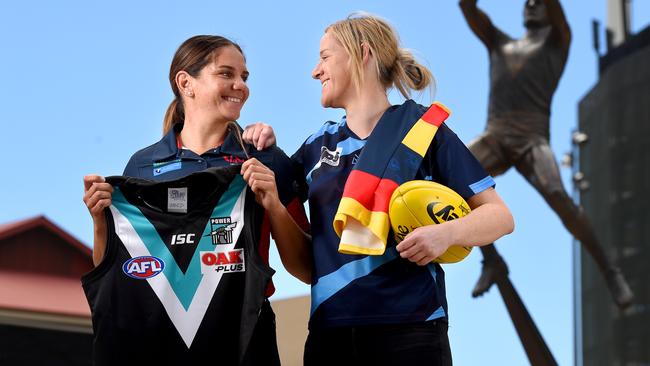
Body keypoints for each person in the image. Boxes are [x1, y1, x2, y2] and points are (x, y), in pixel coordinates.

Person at [245, 13, 514, 366]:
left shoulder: (425, 131)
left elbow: (500, 216)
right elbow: (296, 248)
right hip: (330, 333)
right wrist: (261, 142)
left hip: (413, 329)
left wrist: (445, 233)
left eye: (325, 57)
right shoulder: (315, 146)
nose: (316, 71)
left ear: (363, 53)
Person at [82, 35, 310, 365]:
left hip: (245, 336)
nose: (240, 86)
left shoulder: (267, 161)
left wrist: (273, 202)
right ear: (186, 83)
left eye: (244, 77)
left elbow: (305, 268)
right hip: (163, 336)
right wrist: (99, 220)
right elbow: (118, 270)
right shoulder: (143, 166)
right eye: (226, 74)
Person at [459, 0, 633, 308]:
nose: (530, 4)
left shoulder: (558, 41)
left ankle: (611, 271)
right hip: (496, 137)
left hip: (531, 139)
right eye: (526, 1)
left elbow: (556, 10)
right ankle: (491, 260)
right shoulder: (500, 43)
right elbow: (469, 9)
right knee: (453, 177)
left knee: (558, 195)